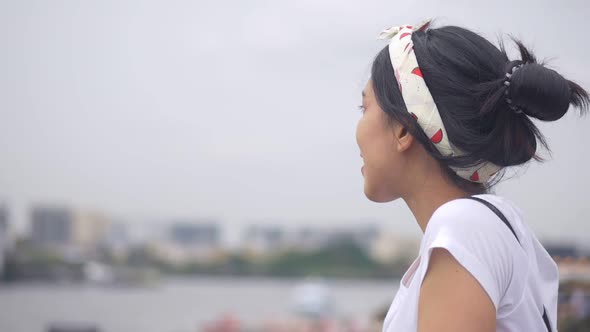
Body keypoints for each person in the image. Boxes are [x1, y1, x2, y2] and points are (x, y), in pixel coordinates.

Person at [356, 19, 589, 332]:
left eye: (364, 108)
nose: (357, 129)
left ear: (402, 129)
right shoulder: (491, 225)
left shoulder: (462, 227)